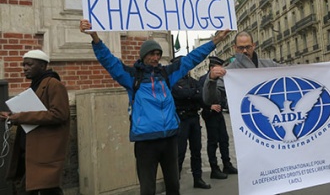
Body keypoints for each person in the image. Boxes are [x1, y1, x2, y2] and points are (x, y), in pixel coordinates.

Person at [79, 19, 228, 195]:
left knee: (173, 186)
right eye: (151, 54)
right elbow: (109, 61)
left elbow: (191, 59)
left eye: (158, 54)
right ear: (143, 56)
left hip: (170, 138)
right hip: (145, 141)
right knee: (148, 189)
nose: (155, 58)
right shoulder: (131, 76)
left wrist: (215, 41)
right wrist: (95, 37)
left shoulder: (167, 74)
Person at [202, 32, 282, 176]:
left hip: (274, 125)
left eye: (248, 47)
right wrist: (211, 79)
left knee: (276, 168)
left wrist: (327, 68)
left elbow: (292, 72)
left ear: (254, 46)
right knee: (256, 172)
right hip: (248, 129)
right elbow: (210, 99)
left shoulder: (269, 65)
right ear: (234, 48)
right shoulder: (229, 72)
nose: (244, 51)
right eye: (240, 48)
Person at [0, 50, 70, 195]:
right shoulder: (36, 84)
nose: (25, 68)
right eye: (23, 64)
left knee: (47, 188)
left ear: (43, 66)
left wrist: (20, 117)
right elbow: (34, 112)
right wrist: (12, 116)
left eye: (29, 64)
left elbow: (59, 114)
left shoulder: (54, 84)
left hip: (44, 150)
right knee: (34, 187)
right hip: (29, 148)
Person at [170, 66, 211, 189]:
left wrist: (190, 94)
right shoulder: (173, 82)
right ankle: (174, 184)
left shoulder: (193, 81)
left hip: (194, 118)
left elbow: (200, 95)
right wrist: (193, 93)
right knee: (179, 153)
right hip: (181, 120)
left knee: (196, 151)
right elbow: (179, 94)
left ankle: (198, 179)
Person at [199, 56, 233, 179]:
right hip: (210, 114)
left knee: (224, 139)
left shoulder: (222, 80)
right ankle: (214, 168)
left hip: (219, 113)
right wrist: (209, 106)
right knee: (213, 142)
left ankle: (227, 164)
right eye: (219, 67)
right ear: (212, 67)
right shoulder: (203, 79)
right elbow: (200, 97)